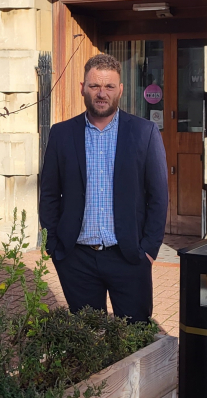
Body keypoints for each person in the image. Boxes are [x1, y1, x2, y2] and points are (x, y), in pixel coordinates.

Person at [39, 53, 168, 323]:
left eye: (109, 86)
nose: (101, 93)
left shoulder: (144, 133)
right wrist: (54, 245)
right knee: (88, 340)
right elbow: (50, 193)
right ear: (82, 88)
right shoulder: (62, 134)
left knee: (135, 337)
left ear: (120, 90)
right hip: (76, 259)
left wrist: (148, 250)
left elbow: (158, 197)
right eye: (95, 86)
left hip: (129, 256)